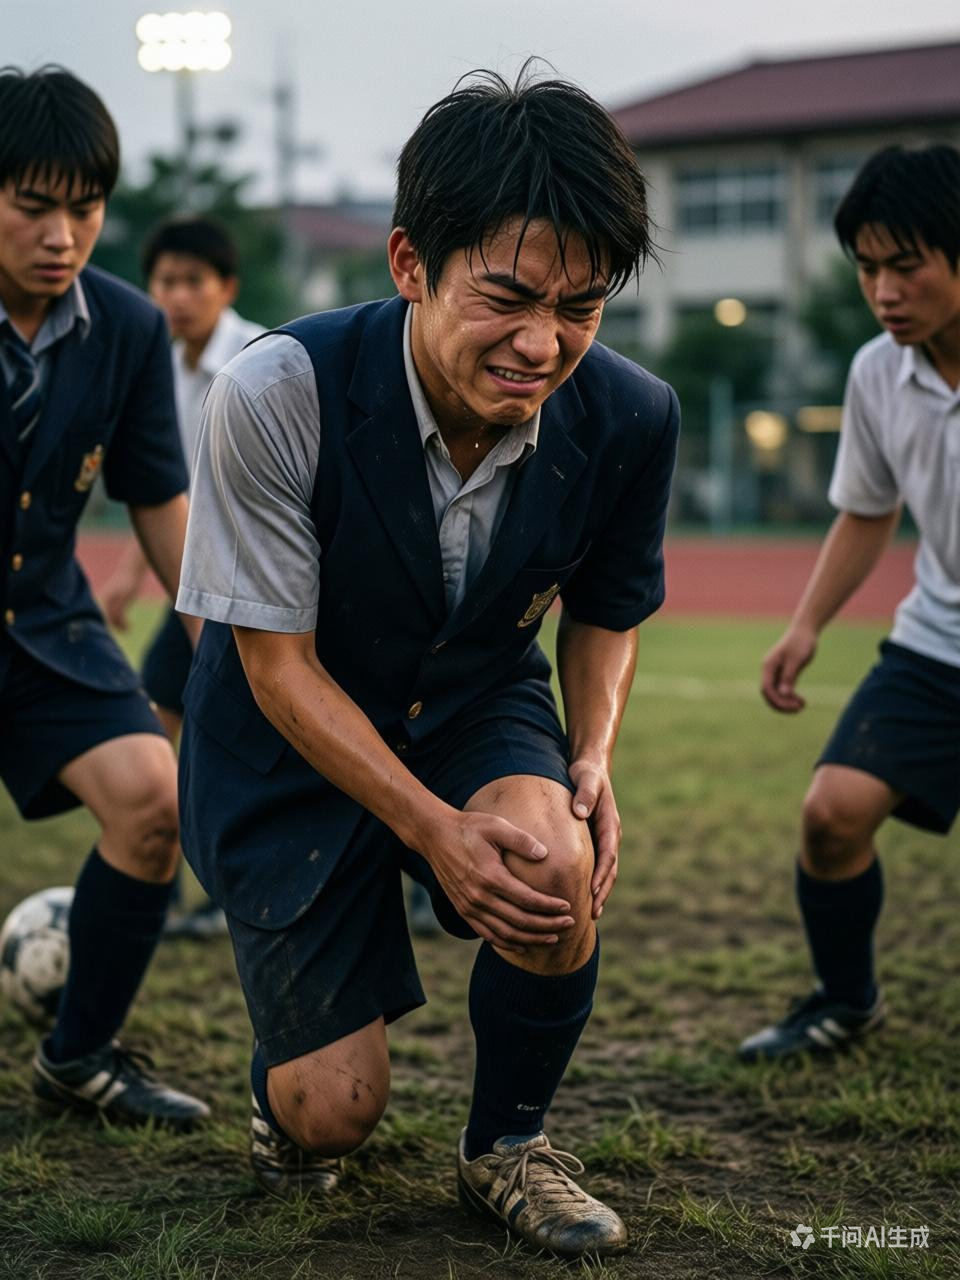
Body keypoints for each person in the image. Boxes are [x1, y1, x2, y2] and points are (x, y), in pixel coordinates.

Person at [177, 66, 678, 1258]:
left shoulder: (633, 416)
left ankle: (509, 1143)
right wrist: (431, 829)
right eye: (507, 296)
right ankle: (288, 1078)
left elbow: (607, 614)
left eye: (581, 307)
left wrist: (591, 756)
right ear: (411, 262)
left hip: (469, 699)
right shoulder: (278, 391)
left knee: (555, 863)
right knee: (332, 1113)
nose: (542, 343)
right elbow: (278, 669)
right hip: (286, 737)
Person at [0, 65, 208, 1129]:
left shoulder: (128, 327)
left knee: (154, 801)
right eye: (33, 206)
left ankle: (78, 1056)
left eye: (84, 209)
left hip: (45, 622)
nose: (62, 235)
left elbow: (159, 500)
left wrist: (221, 640)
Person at [739, 143, 960, 1063]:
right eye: (867, 268)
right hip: (937, 644)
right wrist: (806, 625)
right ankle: (847, 1001)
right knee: (831, 817)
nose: (884, 292)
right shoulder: (877, 371)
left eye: (906, 266)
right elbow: (869, 511)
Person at [101, 216, 264, 939]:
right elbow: (166, 489)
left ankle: (248, 890)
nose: (177, 296)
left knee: (258, 736)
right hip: (196, 583)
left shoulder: (258, 357)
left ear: (226, 288)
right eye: (164, 281)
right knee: (157, 722)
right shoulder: (159, 366)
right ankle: (159, 882)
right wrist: (129, 576)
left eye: (193, 281)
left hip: (258, 587)